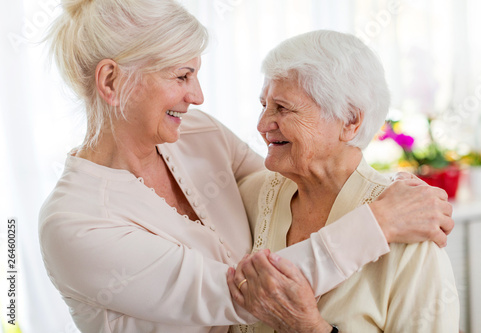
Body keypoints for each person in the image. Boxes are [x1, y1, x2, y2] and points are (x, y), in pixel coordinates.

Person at [39, 1, 454, 332]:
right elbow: (243, 294)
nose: (197, 95)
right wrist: (380, 220)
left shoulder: (196, 133)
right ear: (111, 82)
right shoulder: (75, 223)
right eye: (182, 75)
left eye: (196, 74)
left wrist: (397, 190)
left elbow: (292, 174)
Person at [228, 30, 459, 332]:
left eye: (282, 108)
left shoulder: (413, 235)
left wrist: (308, 327)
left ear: (350, 120)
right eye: (264, 105)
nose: (262, 125)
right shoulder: (251, 196)